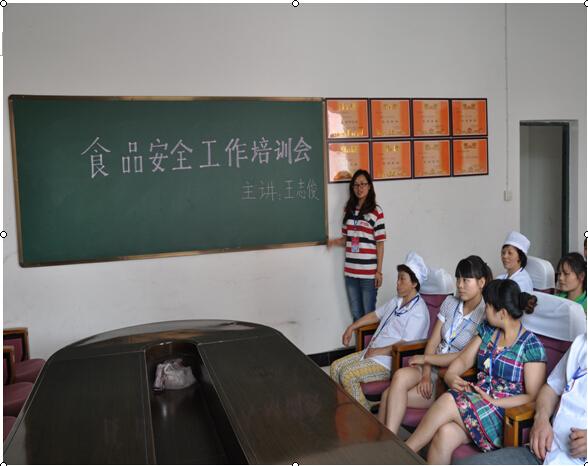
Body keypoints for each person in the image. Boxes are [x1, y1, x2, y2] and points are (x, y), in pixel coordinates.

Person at [405, 279, 547, 464]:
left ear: (502, 313)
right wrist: (451, 375)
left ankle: (402, 452)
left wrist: (495, 401)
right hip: (478, 400)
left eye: (488, 305)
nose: (484, 309)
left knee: (449, 400)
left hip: (505, 414)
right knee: (444, 434)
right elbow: (464, 359)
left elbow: (533, 397)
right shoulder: (488, 331)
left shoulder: (531, 346)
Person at [377, 255, 492, 433]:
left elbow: (462, 356)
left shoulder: (485, 315)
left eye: (466, 280)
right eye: (458, 279)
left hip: (446, 377)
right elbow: (433, 342)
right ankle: (385, 442)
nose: (460, 285)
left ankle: (386, 443)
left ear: (481, 282)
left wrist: (425, 359)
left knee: (387, 396)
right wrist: (425, 373)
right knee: (399, 376)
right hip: (429, 368)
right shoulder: (450, 302)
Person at [455, 332, 587, 465]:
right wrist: (541, 418)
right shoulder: (581, 343)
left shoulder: (530, 345)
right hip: (544, 451)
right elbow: (551, 389)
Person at [329, 252, 429, 410]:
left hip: (390, 362)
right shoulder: (397, 301)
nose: (397, 283)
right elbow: (375, 315)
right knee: (335, 368)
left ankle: (365, 420)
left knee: (348, 375)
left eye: (402, 279)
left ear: (414, 283)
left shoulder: (419, 312)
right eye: (398, 278)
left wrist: (377, 352)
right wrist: (352, 327)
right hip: (373, 352)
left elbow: (405, 344)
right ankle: (347, 411)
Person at [328, 170, 386, 321]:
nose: (360, 188)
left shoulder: (376, 211)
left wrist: (379, 272)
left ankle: (372, 339)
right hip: (350, 272)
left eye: (363, 184)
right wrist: (334, 242)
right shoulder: (348, 210)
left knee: (368, 315)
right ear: (352, 188)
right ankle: (360, 339)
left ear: (369, 186)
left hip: (368, 274)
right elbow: (347, 239)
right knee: (356, 315)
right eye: (356, 185)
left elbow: (380, 243)